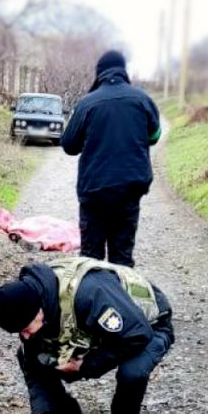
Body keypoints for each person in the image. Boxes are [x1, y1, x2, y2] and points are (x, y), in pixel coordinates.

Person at [0, 257, 173, 414]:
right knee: (35, 358)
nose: (25, 335)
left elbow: (136, 335)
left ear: (38, 310)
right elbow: (35, 370)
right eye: (19, 331)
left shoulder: (90, 293)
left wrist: (85, 365)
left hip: (147, 325)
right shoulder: (31, 306)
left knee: (132, 373)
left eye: (25, 327)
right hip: (100, 332)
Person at [60, 50, 162, 268]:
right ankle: (120, 299)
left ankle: (92, 298)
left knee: (91, 259)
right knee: (122, 259)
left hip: (94, 194)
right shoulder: (143, 100)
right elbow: (155, 136)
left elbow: (69, 145)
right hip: (129, 193)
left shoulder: (86, 104)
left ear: (99, 73)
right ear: (123, 71)